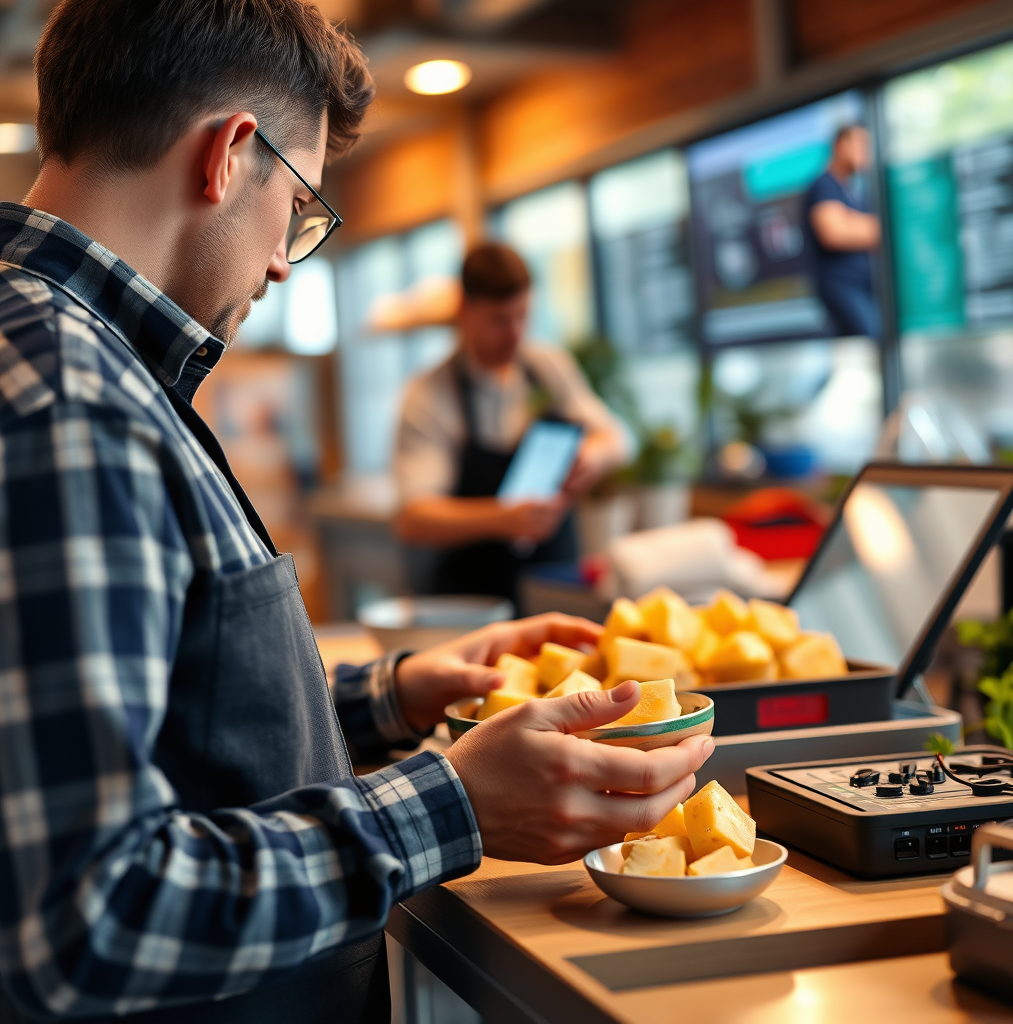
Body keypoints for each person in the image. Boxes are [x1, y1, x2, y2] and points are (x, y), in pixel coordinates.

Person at [0, 3, 712, 1022]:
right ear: (229, 157)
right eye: (298, 205)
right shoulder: (73, 403)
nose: (289, 260)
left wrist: (396, 695)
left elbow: (164, 724)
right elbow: (85, 914)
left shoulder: (67, 359)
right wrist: (450, 802)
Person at [395, 243, 632, 604]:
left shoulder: (546, 366)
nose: (515, 332)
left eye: (523, 316)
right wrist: (502, 518)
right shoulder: (430, 395)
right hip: (471, 601)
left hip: (553, 587)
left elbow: (618, 438)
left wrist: (592, 457)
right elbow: (414, 518)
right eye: (499, 320)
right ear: (465, 310)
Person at [804, 124, 883, 340]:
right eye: (859, 144)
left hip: (865, 286)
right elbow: (834, 232)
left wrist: (859, 225)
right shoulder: (824, 185)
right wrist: (872, 228)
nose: (865, 151)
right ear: (841, 145)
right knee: (873, 339)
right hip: (842, 287)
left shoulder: (853, 192)